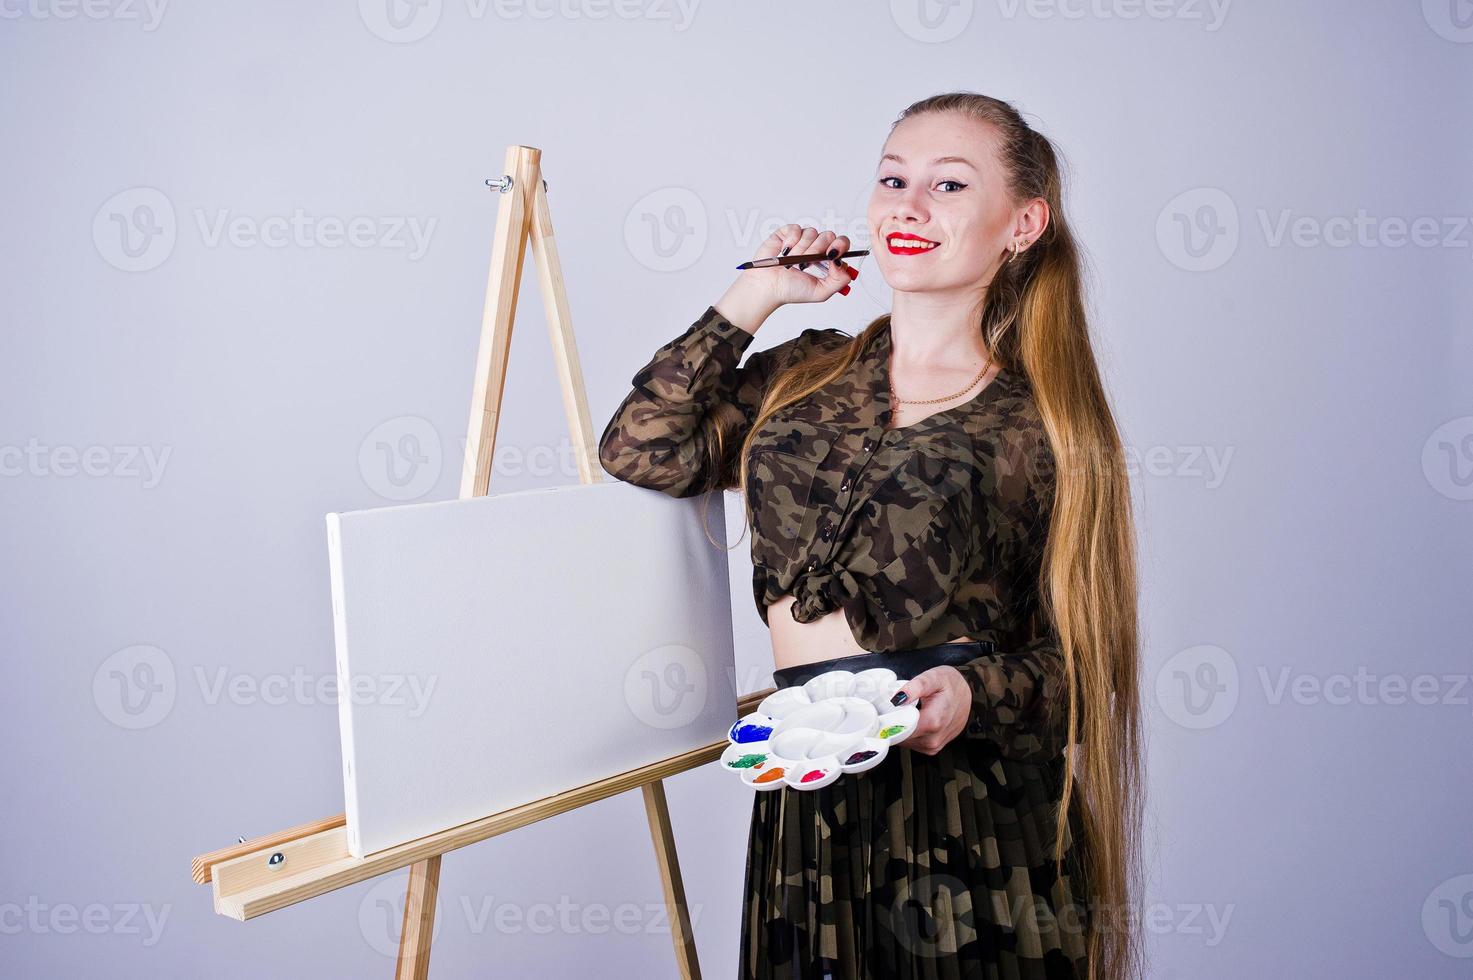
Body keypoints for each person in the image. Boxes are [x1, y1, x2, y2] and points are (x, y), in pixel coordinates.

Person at [598, 91, 1143, 980]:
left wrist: (971, 699)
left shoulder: (1040, 424)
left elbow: (1087, 665)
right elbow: (640, 448)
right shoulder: (805, 373)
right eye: (892, 178)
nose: (907, 205)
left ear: (1023, 223)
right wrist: (757, 292)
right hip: (805, 789)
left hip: (966, 810)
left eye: (949, 184)